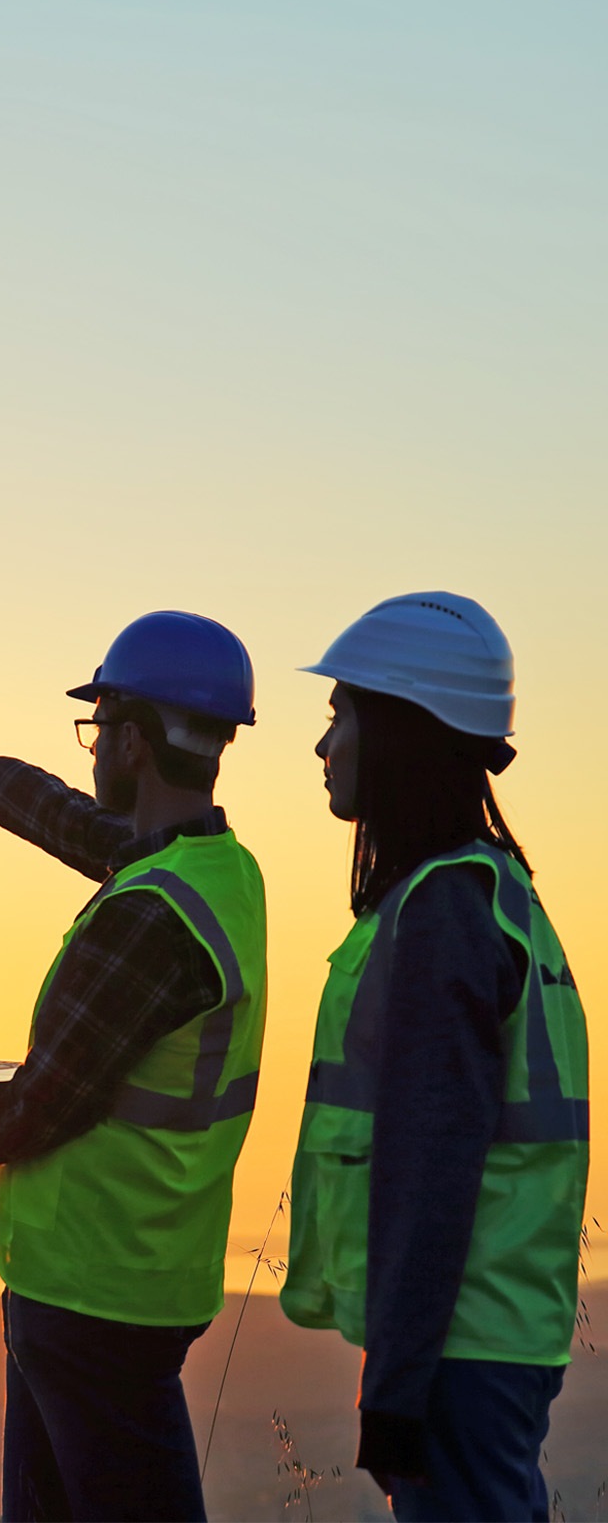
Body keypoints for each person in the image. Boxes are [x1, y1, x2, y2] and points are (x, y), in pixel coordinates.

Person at [0, 610, 267, 1523]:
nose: (91, 750)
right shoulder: (215, 872)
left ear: (137, 743)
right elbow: (62, 818)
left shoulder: (148, 920)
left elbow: (32, 1109)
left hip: (91, 1296)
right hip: (130, 1280)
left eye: (99, 726)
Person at [280, 591, 589, 1523]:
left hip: (461, 1346)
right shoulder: (496, 893)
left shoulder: (444, 913)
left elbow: (432, 1163)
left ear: (404, 729)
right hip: (494, 1335)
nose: (324, 745)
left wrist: (399, 1386)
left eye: (341, 715)